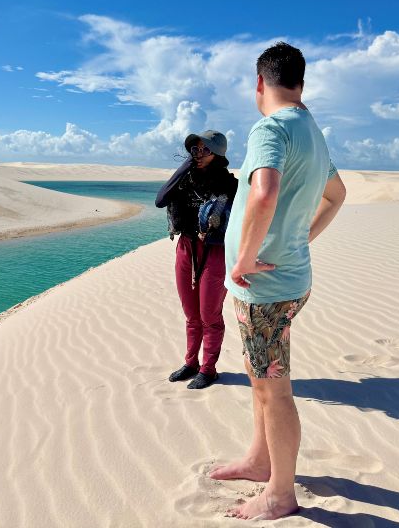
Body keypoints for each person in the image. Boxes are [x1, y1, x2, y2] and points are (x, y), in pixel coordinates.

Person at [210, 42, 346, 520]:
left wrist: (244, 259)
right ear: (300, 83)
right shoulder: (312, 132)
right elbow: (337, 194)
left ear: (260, 84)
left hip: (264, 288)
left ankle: (281, 493)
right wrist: (300, 238)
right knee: (260, 379)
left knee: (274, 388)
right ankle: (259, 458)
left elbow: (263, 194)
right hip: (287, 279)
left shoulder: (271, 128)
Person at [155, 130, 238, 389]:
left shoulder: (230, 185)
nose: (199, 154)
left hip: (215, 251)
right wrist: (184, 166)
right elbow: (160, 200)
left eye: (205, 149)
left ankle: (208, 368)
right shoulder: (184, 180)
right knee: (191, 314)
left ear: (218, 154)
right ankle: (191, 363)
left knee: (209, 315)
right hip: (186, 248)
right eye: (195, 149)